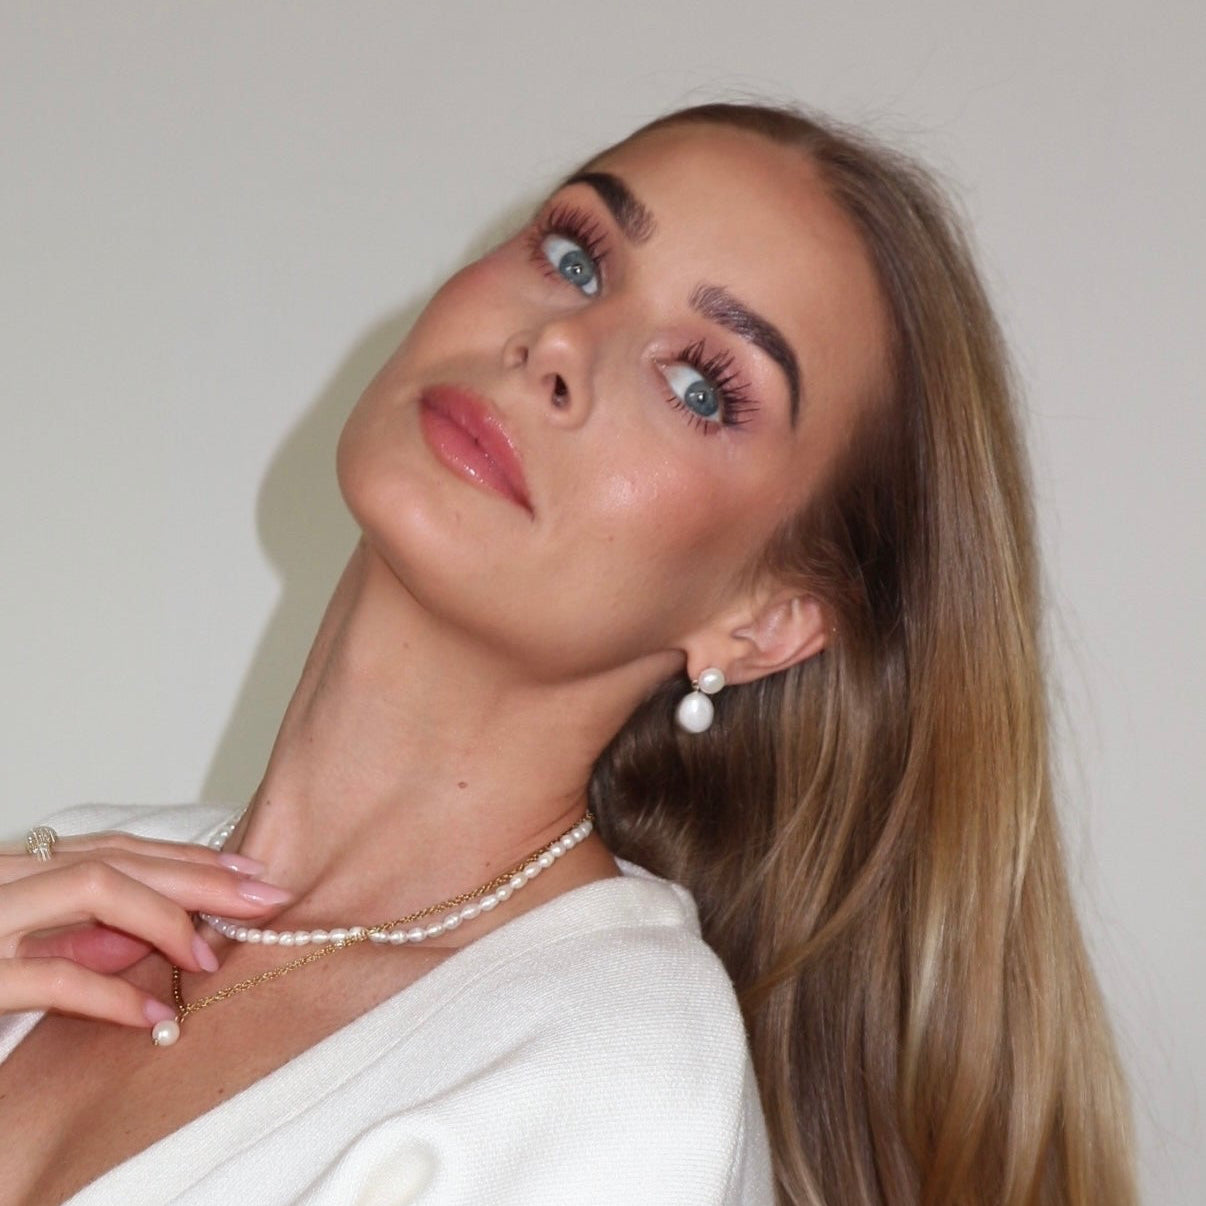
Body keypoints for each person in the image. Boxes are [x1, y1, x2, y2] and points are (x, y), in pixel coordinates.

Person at [0, 102, 1136, 1205]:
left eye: (702, 388)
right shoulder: (86, 875)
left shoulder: (614, 1078)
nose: (558, 345)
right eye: (578, 256)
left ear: (764, 620)